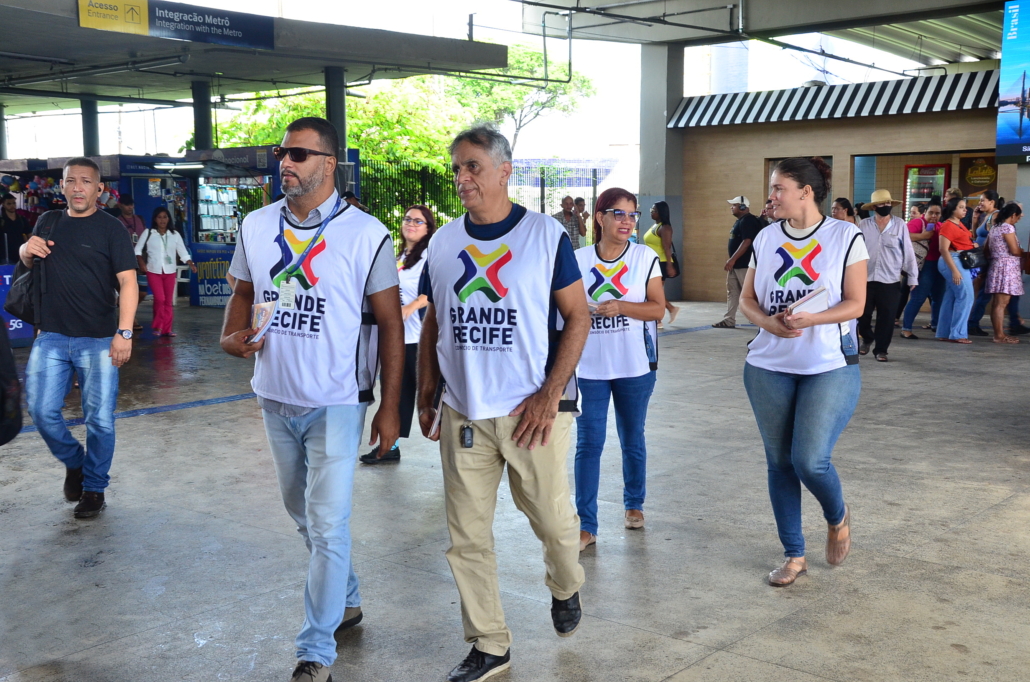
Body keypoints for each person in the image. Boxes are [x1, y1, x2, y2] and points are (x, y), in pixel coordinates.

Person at [220, 117, 403, 682]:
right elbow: (243, 292)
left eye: (299, 154)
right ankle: (345, 599)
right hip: (274, 395)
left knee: (326, 524)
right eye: (283, 153)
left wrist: (390, 408)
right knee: (301, 512)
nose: (286, 162)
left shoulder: (367, 234)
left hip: (338, 400)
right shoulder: (256, 225)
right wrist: (229, 336)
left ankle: (315, 650)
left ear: (329, 163)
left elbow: (392, 325)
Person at [417, 125, 589, 682]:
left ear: (504, 170)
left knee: (555, 525)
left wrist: (550, 393)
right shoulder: (444, 242)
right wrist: (426, 389)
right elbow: (434, 320)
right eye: (457, 168)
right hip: (463, 412)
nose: (461, 177)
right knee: (466, 537)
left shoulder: (543, 235)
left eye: (472, 166)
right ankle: (489, 644)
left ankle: (565, 585)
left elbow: (578, 316)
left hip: (532, 413)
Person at [738, 156, 868, 587]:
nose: (771, 196)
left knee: (809, 460)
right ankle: (794, 554)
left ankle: (838, 515)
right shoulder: (766, 237)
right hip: (767, 366)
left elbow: (856, 304)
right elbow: (747, 300)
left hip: (828, 365)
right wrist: (768, 322)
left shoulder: (845, 236)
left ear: (806, 192)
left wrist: (812, 319)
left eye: (779, 188)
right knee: (779, 463)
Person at [21, 157, 139, 519]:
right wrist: (26, 250)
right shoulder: (48, 220)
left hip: (99, 339)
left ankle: (94, 488)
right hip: (51, 336)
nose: (77, 187)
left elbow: (128, 282)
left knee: (99, 420)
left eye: (86, 181)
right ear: (62, 186)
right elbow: (29, 262)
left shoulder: (112, 229)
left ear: (99, 189)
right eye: (71, 181)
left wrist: (124, 332)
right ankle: (76, 463)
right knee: (41, 411)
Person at [573, 187, 664, 552]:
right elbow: (564, 309)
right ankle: (586, 525)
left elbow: (657, 308)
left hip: (635, 365)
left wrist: (621, 306)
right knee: (588, 444)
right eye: (619, 214)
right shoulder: (578, 259)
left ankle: (634, 503)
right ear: (600, 217)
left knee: (632, 437)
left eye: (632, 215)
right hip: (588, 367)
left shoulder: (644, 257)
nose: (627, 221)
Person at [359, 205, 434, 465]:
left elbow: (432, 291)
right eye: (407, 219)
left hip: (419, 339)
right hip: (398, 339)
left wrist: (410, 308)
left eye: (418, 221)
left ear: (428, 228)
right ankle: (390, 446)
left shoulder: (429, 256)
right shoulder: (398, 256)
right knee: (397, 394)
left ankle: (453, 444)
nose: (411, 224)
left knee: (431, 397)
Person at [856, 190, 918, 362]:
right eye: (882, 204)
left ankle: (881, 350)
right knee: (862, 314)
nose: (886, 206)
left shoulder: (899, 224)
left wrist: (912, 276)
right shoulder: (864, 225)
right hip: (865, 278)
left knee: (887, 317)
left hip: (890, 279)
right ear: (874, 207)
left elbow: (908, 251)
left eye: (888, 203)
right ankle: (867, 337)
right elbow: (855, 250)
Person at [134, 207, 196, 337]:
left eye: (165, 217)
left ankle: (167, 329)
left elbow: (182, 251)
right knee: (160, 299)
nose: (162, 220)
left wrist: (190, 263)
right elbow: (137, 250)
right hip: (153, 270)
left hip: (170, 271)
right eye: (159, 217)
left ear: (169, 219)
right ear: (155, 219)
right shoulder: (148, 233)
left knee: (168, 301)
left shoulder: (174, 234)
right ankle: (158, 326)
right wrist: (141, 263)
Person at [713, 195, 764, 329]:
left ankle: (758, 318)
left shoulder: (748, 221)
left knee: (750, 293)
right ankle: (729, 320)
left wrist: (733, 259)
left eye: (734, 205)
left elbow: (747, 241)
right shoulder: (740, 221)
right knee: (733, 292)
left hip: (744, 265)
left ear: (742, 207)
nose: (732, 207)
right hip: (736, 265)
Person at [900, 202, 945, 339]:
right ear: (925, 212)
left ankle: (936, 325)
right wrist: (923, 236)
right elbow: (903, 236)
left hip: (939, 265)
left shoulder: (940, 226)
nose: (934, 216)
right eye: (931, 212)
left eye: (937, 213)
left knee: (938, 298)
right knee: (918, 297)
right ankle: (906, 328)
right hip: (924, 265)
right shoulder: (918, 222)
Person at [936, 198, 976, 344]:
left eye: (965, 207)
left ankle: (944, 332)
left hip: (959, 260)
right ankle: (958, 333)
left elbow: (964, 240)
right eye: (961, 207)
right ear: (953, 209)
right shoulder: (948, 225)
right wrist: (954, 270)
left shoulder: (959, 223)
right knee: (966, 296)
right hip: (953, 261)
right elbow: (943, 249)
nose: (965, 210)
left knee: (951, 297)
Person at [985, 202, 1024, 344]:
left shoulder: (994, 228)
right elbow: (1014, 250)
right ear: (1013, 215)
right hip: (1007, 268)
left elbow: (986, 249)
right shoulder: (1007, 227)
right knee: (1001, 303)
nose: (1017, 221)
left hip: (996, 266)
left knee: (997, 303)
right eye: (1017, 217)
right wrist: (1022, 252)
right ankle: (999, 336)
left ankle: (999, 333)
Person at [967, 190, 1001, 336]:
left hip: (987, 259)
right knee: (979, 291)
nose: (979, 203)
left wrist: (987, 260)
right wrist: (975, 219)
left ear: (992, 202)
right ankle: (971, 322)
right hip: (980, 258)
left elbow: (994, 238)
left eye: (982, 200)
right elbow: (975, 235)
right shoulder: (986, 216)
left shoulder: (995, 215)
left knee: (983, 292)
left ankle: (973, 323)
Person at [643, 201, 680, 326]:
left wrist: (669, 265)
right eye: (651, 210)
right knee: (653, 291)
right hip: (653, 263)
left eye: (654, 211)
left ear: (661, 212)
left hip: (661, 263)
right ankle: (668, 310)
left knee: (653, 291)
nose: (651, 212)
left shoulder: (665, 228)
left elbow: (667, 247)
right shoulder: (655, 226)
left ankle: (660, 317)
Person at [1, 193, 29, 264]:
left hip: (21, 255)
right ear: (3, 205)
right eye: (9, 204)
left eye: (14, 203)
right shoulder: (1, 221)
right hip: (5, 256)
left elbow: (30, 235)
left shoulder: (22, 219)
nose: (12, 206)